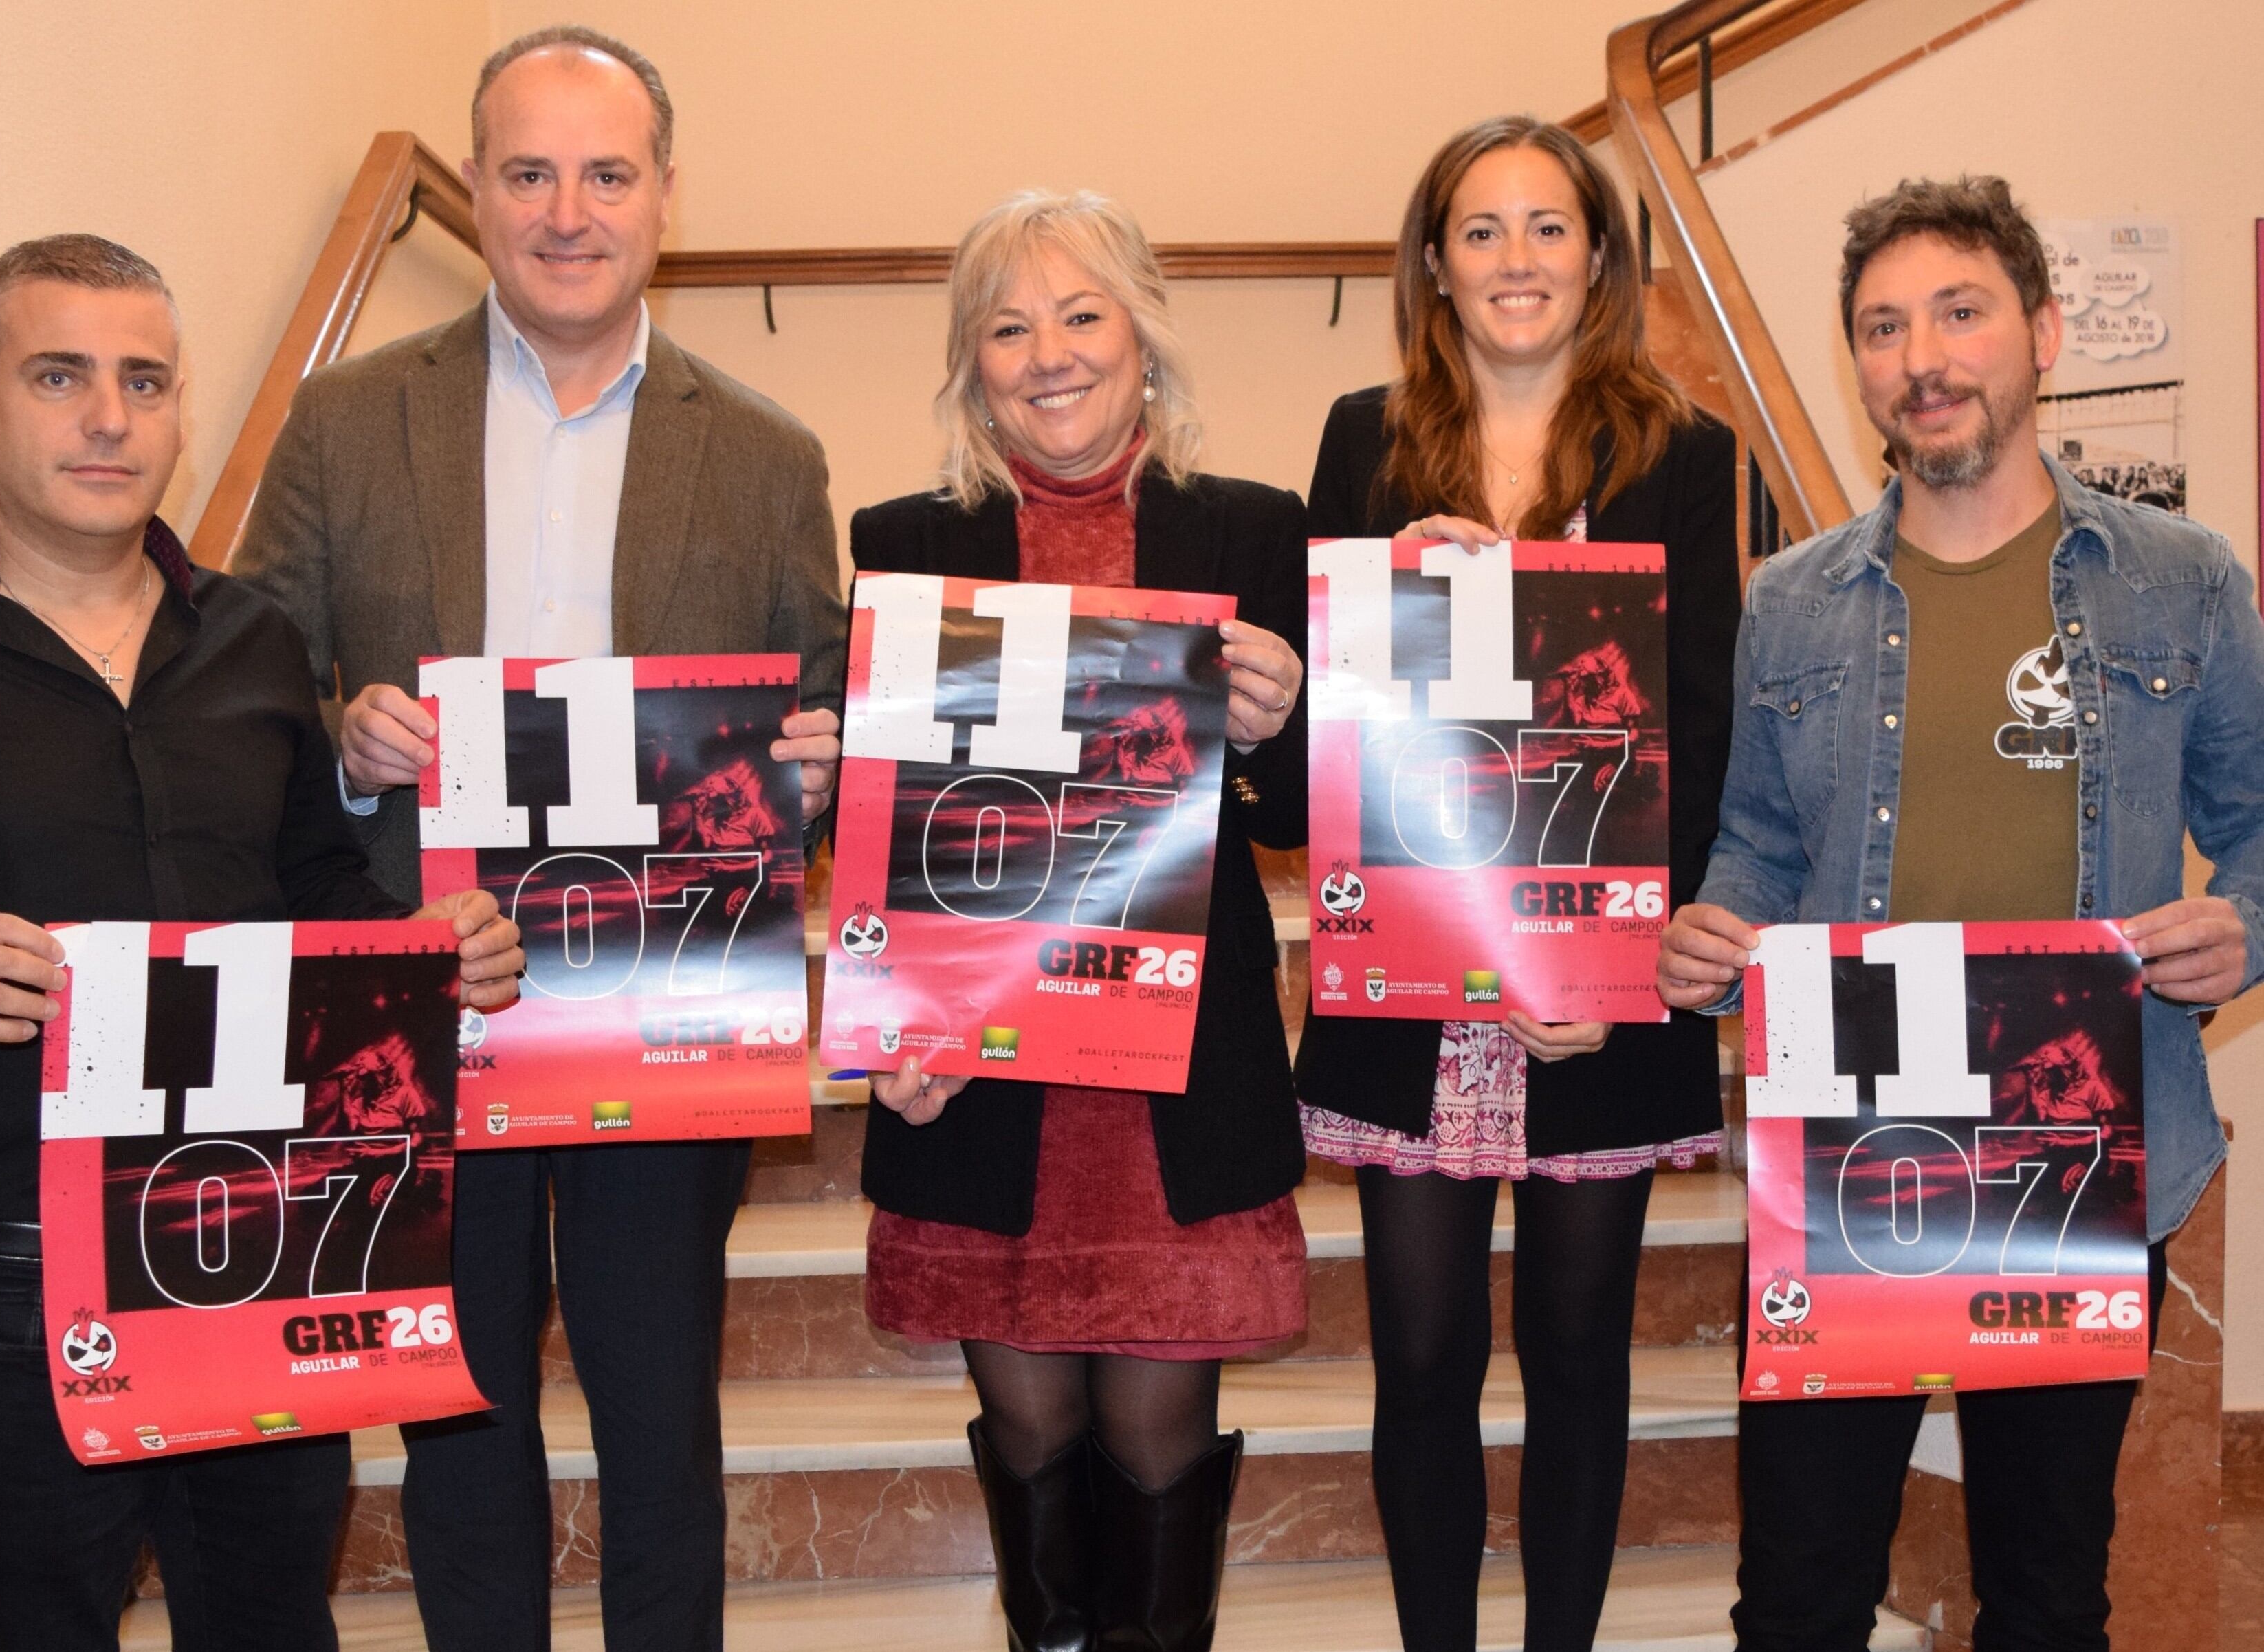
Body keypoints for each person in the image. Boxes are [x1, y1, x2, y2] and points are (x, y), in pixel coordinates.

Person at [237, 27, 848, 1652]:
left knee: (665, 1423)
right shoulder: (346, 421)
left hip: (670, 1003)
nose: (566, 210)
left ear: (664, 196)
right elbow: (249, 684)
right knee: (458, 1415)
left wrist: (822, 762)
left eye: (605, 172)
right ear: (477, 189)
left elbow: (825, 704)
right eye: (527, 172)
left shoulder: (770, 450)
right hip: (431, 993)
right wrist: (348, 741)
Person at [0, 234, 523, 1652]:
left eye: (145, 380)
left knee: (273, 1624)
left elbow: (312, 895)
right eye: (60, 374)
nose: (108, 417)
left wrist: (419, 958)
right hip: (10, 1270)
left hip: (264, 1235)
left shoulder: (257, 639)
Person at [1656, 175, 2264, 1651]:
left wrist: (2242, 923)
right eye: (1881, 326)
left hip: (2081, 1153)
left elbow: (2258, 834)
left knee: (2046, 1596)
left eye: (1959, 311)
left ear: (2042, 334)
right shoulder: (1789, 601)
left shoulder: (2179, 582)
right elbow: (1755, 843)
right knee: (1796, 1594)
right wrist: (1707, 934)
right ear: (1856, 360)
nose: (1919, 355)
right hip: (1853, 1152)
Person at [1289, 117, 1740, 1652]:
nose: (1516, 261)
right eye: (1480, 231)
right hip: (1411, 974)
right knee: (1418, 1357)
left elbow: (1696, 719)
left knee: (1575, 1354)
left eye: (1549, 228)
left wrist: (1599, 971)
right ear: (1431, 263)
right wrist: (1392, 603)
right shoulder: (1363, 439)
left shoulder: (1685, 454)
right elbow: (1329, 748)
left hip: (1597, 992)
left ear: (1599, 258)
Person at [852, 189, 1310, 1652]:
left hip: (1177, 1072)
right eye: (1006, 326)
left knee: (1163, 1434)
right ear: (969, 363)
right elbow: (889, 830)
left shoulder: (1249, 527)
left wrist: (1283, 716)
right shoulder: (902, 542)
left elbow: (1300, 812)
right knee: (1033, 1436)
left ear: (1142, 339)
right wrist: (884, 1015)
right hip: (992, 1070)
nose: (1047, 354)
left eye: (1079, 314)